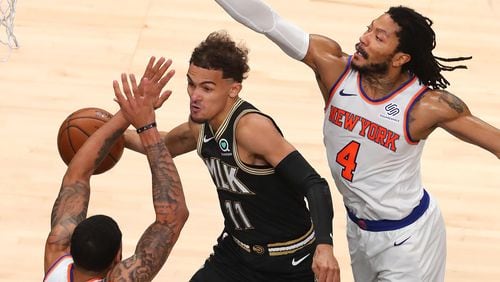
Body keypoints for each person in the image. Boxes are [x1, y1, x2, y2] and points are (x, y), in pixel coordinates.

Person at [213, 0, 500, 281]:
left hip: (410, 240)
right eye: (369, 29)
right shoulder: (333, 69)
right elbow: (269, 22)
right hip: (358, 229)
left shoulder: (425, 107)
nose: (363, 39)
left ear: (400, 58)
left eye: (378, 37)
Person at [124, 31, 341, 281]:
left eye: (207, 88)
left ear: (233, 89)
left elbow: (314, 183)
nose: (195, 96)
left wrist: (325, 246)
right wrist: (108, 131)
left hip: (288, 261)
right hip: (236, 255)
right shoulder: (200, 126)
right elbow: (161, 145)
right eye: (191, 84)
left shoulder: (250, 128)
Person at [43, 57, 189, 281]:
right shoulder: (115, 279)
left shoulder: (56, 255)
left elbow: (77, 175)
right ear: (118, 259)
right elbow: (173, 218)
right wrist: (141, 119)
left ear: (71, 246)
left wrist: (133, 116)